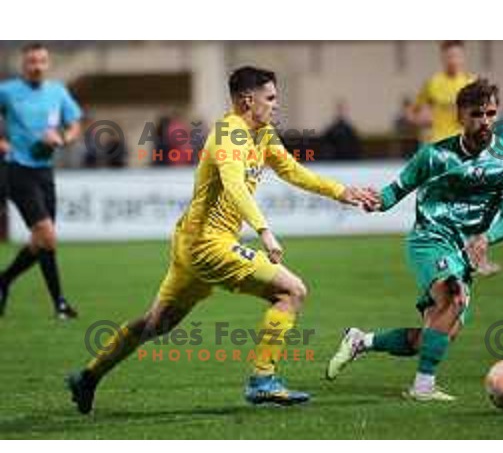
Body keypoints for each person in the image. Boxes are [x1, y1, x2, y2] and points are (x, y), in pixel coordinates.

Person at [67, 66, 372, 413]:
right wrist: (264, 231)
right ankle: (262, 379)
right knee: (292, 291)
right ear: (247, 100)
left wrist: (341, 191)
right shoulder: (230, 134)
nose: (276, 104)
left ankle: (87, 377)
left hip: (191, 242)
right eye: (270, 97)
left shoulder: (263, 133)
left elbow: (291, 170)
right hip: (207, 244)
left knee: (156, 324)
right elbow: (234, 185)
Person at [326, 79, 503, 402]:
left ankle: (361, 341)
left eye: (491, 113)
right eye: (477, 114)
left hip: (464, 252)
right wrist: (378, 201)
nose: (486, 121)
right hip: (429, 240)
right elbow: (397, 189)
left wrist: (485, 238)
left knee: (433, 334)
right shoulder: (433, 156)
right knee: (454, 295)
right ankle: (423, 387)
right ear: (460, 115)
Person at [0, 43, 82, 318]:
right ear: (24, 64)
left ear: (47, 64)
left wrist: (63, 139)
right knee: (47, 234)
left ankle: (4, 280)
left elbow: (74, 125)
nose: (36, 66)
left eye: (41, 61)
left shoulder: (58, 92)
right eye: (31, 61)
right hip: (18, 169)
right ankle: (59, 304)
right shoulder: (7, 91)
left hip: (45, 171)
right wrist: (2, 143)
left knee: (41, 242)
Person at [413, 41, 476, 143]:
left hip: (463, 141)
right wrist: (422, 119)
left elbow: (485, 113)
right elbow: (415, 112)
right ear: (443, 58)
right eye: (450, 56)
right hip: (438, 141)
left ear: (463, 57)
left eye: (457, 56)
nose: (453, 60)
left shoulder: (471, 82)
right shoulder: (432, 82)